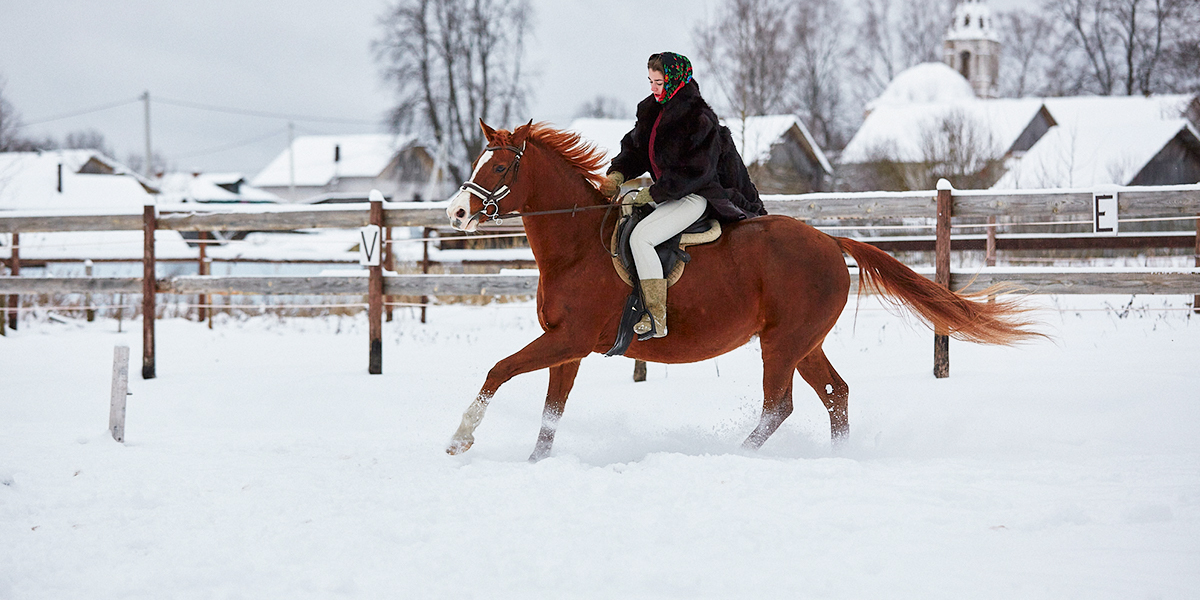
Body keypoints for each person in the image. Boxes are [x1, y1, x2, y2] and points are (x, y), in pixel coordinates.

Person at [599, 52, 766, 338]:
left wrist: (653, 192)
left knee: (642, 238)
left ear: (675, 81)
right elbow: (636, 149)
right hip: (668, 195)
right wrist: (618, 173)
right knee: (625, 210)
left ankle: (655, 317)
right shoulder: (652, 111)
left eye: (659, 82)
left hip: (694, 196)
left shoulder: (698, 119)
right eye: (650, 81)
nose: (653, 88)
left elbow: (696, 172)